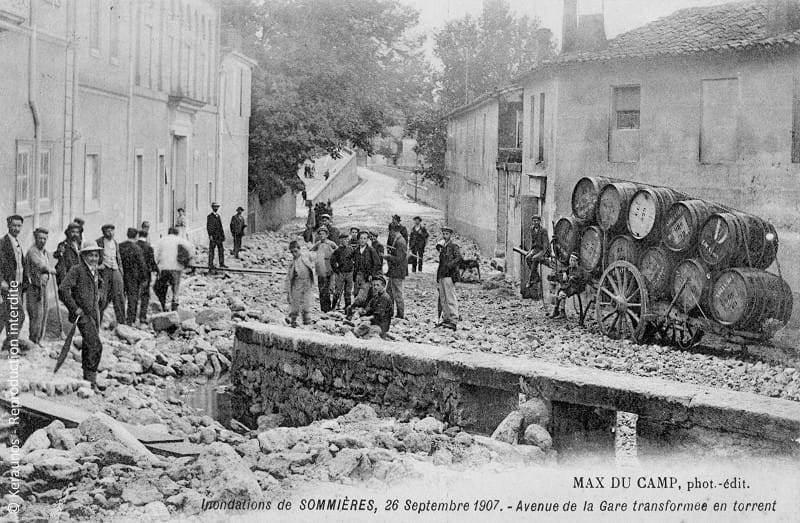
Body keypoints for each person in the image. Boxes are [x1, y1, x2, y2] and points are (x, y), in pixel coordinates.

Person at [59, 240, 106, 390]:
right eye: (90, 255)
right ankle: (91, 380)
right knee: (96, 345)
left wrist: (99, 296)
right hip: (83, 315)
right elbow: (63, 289)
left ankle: (88, 379)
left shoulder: (95, 270)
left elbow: (98, 285)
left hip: (94, 313)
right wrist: (74, 308)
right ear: (84, 255)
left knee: (88, 345)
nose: (94, 258)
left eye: (96, 255)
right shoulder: (76, 270)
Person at [1, 215, 28, 352]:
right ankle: (11, 343)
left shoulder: (16, 242)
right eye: (14, 225)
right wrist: (1, 282)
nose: (17, 228)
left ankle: (9, 343)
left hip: (18, 285)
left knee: (9, 314)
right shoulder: (3, 243)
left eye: (19, 226)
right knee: (19, 315)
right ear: (8, 226)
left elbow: (20, 265)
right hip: (8, 286)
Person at [24, 228, 55, 345]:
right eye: (40, 238)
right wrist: (49, 269)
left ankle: (39, 339)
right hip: (34, 287)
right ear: (35, 238)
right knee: (36, 314)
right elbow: (39, 264)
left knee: (44, 312)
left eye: (44, 238)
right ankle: (33, 340)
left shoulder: (45, 252)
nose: (42, 241)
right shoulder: (33, 251)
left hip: (43, 287)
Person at [154, 227, 194, 312]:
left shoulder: (162, 241)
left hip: (164, 268)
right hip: (176, 267)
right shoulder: (181, 240)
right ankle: (174, 305)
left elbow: (155, 253)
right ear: (177, 233)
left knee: (162, 287)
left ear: (168, 232)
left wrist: (157, 265)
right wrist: (188, 263)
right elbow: (190, 249)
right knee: (175, 287)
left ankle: (163, 304)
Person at [95, 224, 125, 327]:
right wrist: (98, 266)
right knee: (103, 297)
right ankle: (97, 323)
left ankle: (121, 323)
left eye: (112, 230)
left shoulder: (115, 242)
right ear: (104, 232)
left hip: (115, 269)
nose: (111, 233)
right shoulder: (98, 242)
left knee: (119, 295)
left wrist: (120, 271)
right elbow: (93, 257)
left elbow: (118, 257)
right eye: (108, 231)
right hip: (104, 271)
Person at [119, 227, 147, 326]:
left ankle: (121, 318)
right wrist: (144, 277)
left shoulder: (120, 246)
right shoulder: (137, 248)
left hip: (121, 275)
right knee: (132, 298)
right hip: (133, 277)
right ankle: (131, 319)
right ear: (136, 236)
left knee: (121, 297)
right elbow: (141, 264)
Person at [436, 226, 462, 330]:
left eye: (447, 234)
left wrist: (449, 265)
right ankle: (446, 318)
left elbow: (459, 258)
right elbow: (441, 263)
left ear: (450, 235)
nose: (445, 235)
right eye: (444, 233)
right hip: (442, 275)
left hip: (450, 275)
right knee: (443, 298)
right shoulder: (442, 247)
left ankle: (453, 319)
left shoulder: (454, 246)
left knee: (450, 298)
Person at [285, 240, 316, 327]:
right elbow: (288, 278)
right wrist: (288, 290)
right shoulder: (292, 263)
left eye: (296, 251)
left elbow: (316, 256)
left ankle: (307, 321)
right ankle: (293, 320)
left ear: (299, 249)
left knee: (306, 302)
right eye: (292, 252)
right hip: (297, 283)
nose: (294, 254)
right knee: (295, 302)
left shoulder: (306, 257)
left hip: (307, 283)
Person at [349, 231, 381, 315]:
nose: (363, 240)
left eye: (365, 238)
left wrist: (372, 274)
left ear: (367, 240)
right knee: (356, 293)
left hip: (367, 276)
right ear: (358, 239)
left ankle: (356, 309)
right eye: (361, 238)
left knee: (363, 295)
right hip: (357, 275)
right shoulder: (356, 250)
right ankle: (358, 313)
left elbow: (377, 264)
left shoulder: (371, 250)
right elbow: (349, 258)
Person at [309, 227, 338, 312]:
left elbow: (338, 252)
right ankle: (323, 309)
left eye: (323, 234)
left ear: (327, 234)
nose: (322, 235)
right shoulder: (318, 243)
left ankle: (328, 308)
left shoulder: (331, 243)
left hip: (328, 267)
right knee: (321, 289)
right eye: (320, 234)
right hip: (320, 268)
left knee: (328, 289)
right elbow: (311, 250)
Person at [551, 253, 588, 318]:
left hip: (577, 287)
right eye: (570, 260)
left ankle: (559, 311)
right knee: (560, 290)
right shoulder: (570, 268)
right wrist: (565, 272)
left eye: (573, 261)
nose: (571, 262)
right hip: (570, 286)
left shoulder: (580, 269)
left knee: (561, 293)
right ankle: (557, 311)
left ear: (577, 262)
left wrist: (572, 278)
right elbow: (563, 269)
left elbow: (581, 279)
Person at [383, 228, 407, 319]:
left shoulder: (400, 241)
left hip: (397, 272)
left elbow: (399, 258)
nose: (390, 234)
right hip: (394, 272)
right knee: (389, 291)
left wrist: (388, 257)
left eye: (390, 232)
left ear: (393, 231)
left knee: (397, 293)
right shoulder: (398, 239)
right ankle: (390, 312)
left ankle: (400, 314)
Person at [137, 229, 158, 324]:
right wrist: (157, 270)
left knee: (134, 295)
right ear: (146, 236)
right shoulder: (149, 247)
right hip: (145, 275)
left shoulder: (135, 245)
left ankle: (132, 316)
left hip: (134, 274)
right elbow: (152, 262)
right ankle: (142, 316)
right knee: (145, 295)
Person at [525, 215, 549, 299]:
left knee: (535, 258)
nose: (535, 222)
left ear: (540, 221)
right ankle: (536, 277)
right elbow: (532, 241)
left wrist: (542, 254)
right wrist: (530, 251)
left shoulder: (543, 230)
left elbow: (546, 245)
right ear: (532, 222)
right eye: (534, 221)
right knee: (528, 258)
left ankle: (530, 280)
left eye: (537, 221)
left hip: (543, 250)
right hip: (536, 249)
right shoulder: (532, 229)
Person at [330, 233, 354, 311]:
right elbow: (332, 261)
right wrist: (336, 270)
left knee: (348, 292)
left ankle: (347, 308)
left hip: (350, 273)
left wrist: (353, 267)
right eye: (343, 240)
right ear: (340, 240)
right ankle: (333, 307)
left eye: (346, 239)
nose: (345, 241)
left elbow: (354, 259)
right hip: (341, 273)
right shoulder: (337, 250)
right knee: (337, 291)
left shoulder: (351, 249)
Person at [206, 203, 226, 269]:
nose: (216, 208)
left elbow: (221, 227)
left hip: (219, 236)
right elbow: (209, 227)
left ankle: (222, 263)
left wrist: (223, 235)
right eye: (215, 207)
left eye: (217, 207)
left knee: (221, 250)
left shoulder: (218, 216)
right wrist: (210, 235)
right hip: (213, 237)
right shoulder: (210, 216)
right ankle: (210, 264)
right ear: (212, 207)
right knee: (212, 250)